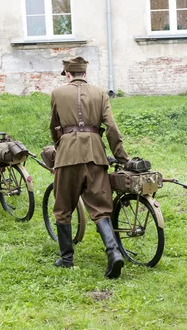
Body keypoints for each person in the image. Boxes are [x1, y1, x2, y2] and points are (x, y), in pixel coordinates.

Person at [49, 56, 130, 279]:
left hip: (67, 155)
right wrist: (121, 156)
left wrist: (60, 147)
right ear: (85, 73)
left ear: (67, 74)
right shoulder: (100, 93)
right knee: (101, 207)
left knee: (63, 206)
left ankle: (67, 259)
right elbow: (111, 127)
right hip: (95, 154)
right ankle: (113, 253)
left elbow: (54, 126)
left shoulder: (57, 93)